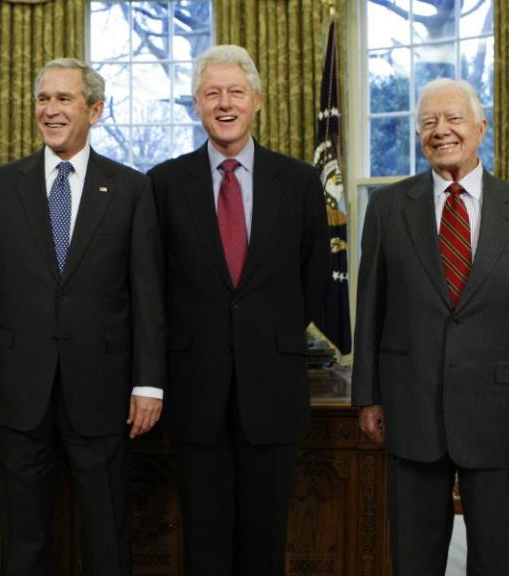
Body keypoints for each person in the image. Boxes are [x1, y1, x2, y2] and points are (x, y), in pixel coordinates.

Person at [0, 58, 165, 576]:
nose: (49, 110)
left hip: (103, 390)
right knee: (23, 536)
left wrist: (149, 385)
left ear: (95, 109)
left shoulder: (131, 189)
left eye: (63, 99)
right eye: (43, 99)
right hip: (16, 390)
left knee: (105, 531)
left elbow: (147, 295)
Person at [352, 78, 509, 575]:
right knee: (414, 560)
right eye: (428, 122)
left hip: (502, 418)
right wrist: (368, 395)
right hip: (411, 412)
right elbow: (372, 309)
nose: (441, 131)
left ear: (480, 127)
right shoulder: (387, 209)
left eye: (453, 119)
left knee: (497, 561)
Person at [147, 44, 329, 575]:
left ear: (257, 102)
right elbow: (151, 282)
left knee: (265, 542)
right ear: (196, 105)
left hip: (271, 388)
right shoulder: (163, 183)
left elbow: (315, 277)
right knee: (202, 544)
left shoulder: (297, 181)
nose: (224, 103)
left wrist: (264, 335)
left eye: (235, 92)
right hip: (194, 389)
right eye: (212, 94)